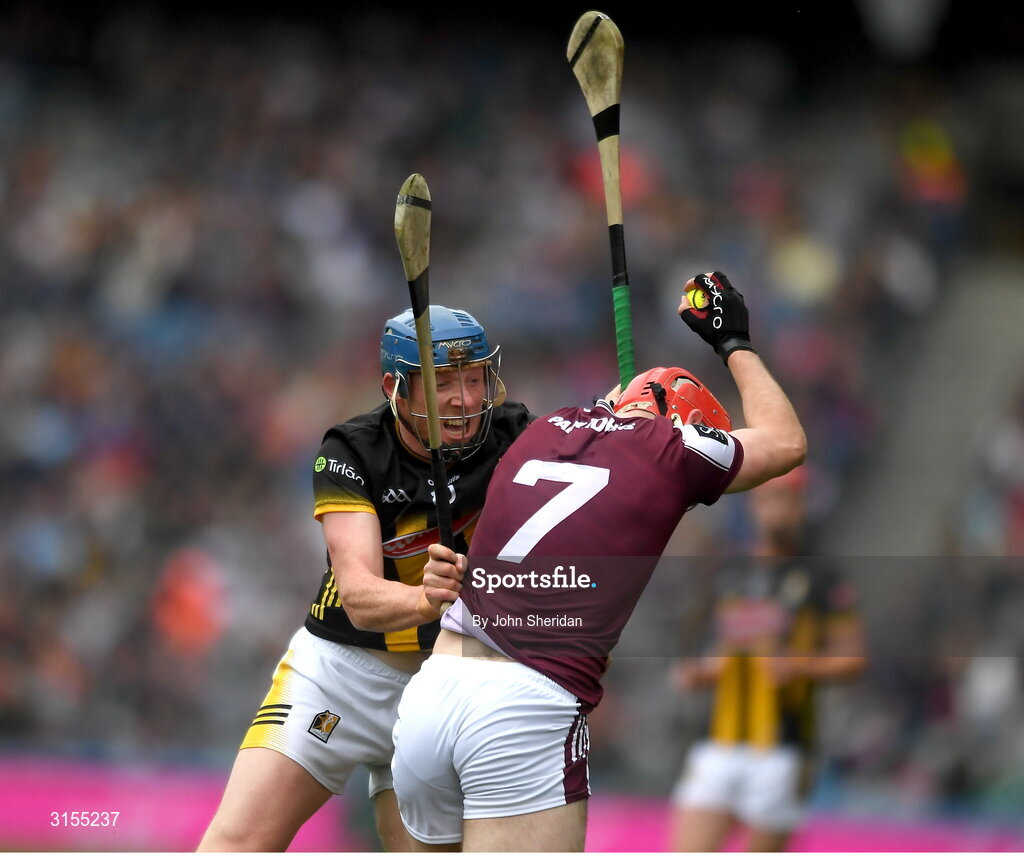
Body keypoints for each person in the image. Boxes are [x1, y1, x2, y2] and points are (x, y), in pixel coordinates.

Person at [390, 271, 807, 851]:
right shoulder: (674, 449)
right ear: (683, 423)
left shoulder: (539, 431)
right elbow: (785, 442)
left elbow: (605, 425)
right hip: (523, 710)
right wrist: (732, 342)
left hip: (433, 692)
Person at [198, 306, 533, 851]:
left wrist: (617, 420)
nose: (465, 400)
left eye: (473, 379)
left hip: (444, 687)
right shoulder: (351, 452)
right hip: (340, 676)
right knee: (237, 843)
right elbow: (358, 596)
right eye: (442, 382)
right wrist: (427, 599)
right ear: (394, 388)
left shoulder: (516, 434)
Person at [668, 466, 866, 852]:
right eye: (769, 498)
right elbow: (718, 651)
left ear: (801, 505)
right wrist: (699, 673)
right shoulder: (730, 572)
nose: (778, 510)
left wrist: (799, 666)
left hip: (782, 748)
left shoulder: (822, 576)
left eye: (788, 499)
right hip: (717, 743)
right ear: (755, 505)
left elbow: (854, 657)